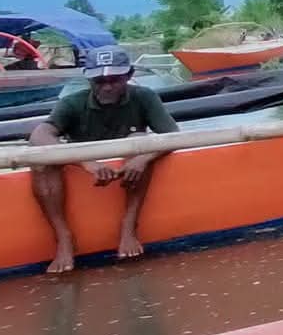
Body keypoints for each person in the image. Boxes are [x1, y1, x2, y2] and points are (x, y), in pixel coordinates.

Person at [28, 44, 179, 273]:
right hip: (85, 166)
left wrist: (142, 159)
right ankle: (64, 237)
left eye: (115, 81)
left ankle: (128, 227)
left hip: (129, 164)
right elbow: (39, 135)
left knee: (139, 138)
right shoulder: (72, 102)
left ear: (128, 76)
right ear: (89, 81)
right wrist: (86, 162)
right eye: (99, 82)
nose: (107, 87)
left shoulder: (144, 96)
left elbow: (172, 135)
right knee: (40, 161)